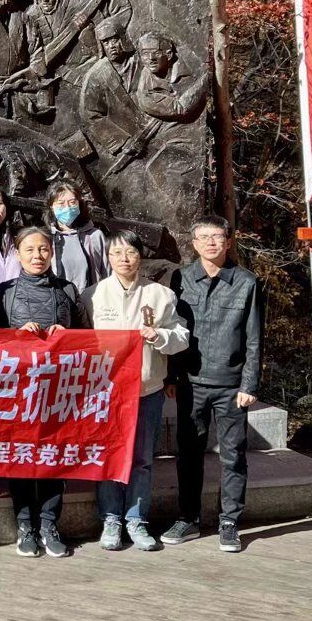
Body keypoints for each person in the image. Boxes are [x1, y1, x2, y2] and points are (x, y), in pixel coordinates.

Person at [80, 229, 188, 552]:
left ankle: (136, 519)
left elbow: (181, 336)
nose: (124, 259)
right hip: (106, 391)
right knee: (109, 456)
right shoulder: (92, 295)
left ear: (140, 256)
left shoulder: (160, 295)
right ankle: (111, 518)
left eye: (130, 252)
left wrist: (159, 336)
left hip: (147, 389)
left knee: (142, 458)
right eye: (116, 253)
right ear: (107, 258)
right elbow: (81, 341)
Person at [163, 215, 263, 554]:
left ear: (228, 241)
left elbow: (254, 338)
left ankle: (230, 521)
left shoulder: (246, 282)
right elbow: (174, 328)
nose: (210, 242)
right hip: (191, 383)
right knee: (188, 453)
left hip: (231, 385)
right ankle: (188, 518)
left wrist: (249, 384)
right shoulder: (181, 278)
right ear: (194, 243)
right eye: (203, 237)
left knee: (233, 456)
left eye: (217, 236)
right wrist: (173, 375)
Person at [0, 227, 78, 559]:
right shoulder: (5, 292)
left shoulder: (67, 290)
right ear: (18, 254)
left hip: (57, 387)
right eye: (29, 250)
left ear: (51, 253)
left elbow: (87, 339)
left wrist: (66, 335)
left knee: (53, 458)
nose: (37, 256)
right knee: (21, 459)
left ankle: (50, 524)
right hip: (18, 389)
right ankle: (26, 525)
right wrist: (16, 335)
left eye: (43, 249)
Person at [46, 180, 107, 290]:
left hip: (91, 297)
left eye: (72, 202)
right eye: (61, 203)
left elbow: (108, 274)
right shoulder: (46, 238)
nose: (67, 207)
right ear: (51, 206)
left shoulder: (95, 236)